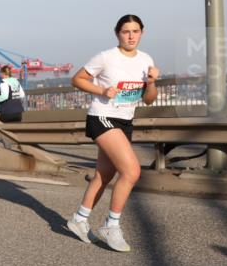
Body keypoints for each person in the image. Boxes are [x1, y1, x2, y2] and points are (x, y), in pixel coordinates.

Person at [68, 14, 159, 253]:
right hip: (102, 117)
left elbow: (148, 101)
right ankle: (111, 225)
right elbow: (76, 79)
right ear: (117, 34)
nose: (131, 36)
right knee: (131, 171)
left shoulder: (146, 59)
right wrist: (101, 90)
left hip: (125, 120)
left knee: (104, 175)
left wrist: (151, 82)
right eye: (126, 31)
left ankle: (79, 219)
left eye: (136, 31)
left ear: (142, 33)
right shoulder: (106, 57)